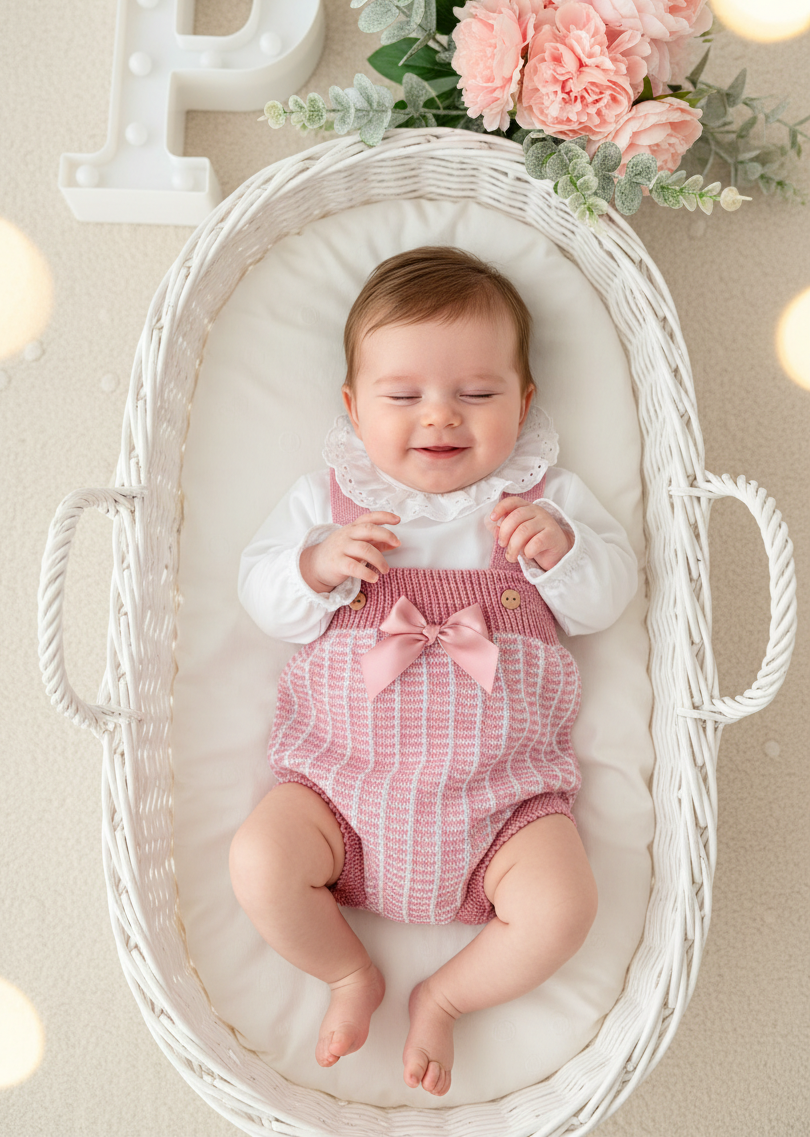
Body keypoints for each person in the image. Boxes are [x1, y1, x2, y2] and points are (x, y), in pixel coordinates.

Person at [231, 246, 638, 1097]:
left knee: (564, 906)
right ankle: (350, 974)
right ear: (352, 405)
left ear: (524, 403)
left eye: (478, 394)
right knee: (260, 860)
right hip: (339, 794)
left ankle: (447, 996)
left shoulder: (540, 501)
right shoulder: (330, 501)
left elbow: (607, 600)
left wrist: (563, 555)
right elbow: (262, 598)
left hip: (503, 810)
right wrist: (315, 566)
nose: (440, 418)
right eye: (403, 396)